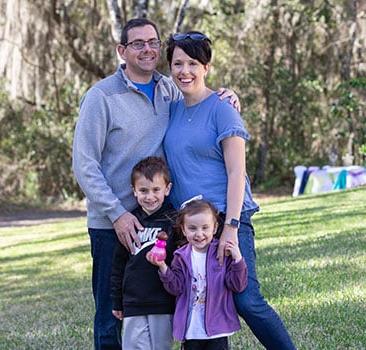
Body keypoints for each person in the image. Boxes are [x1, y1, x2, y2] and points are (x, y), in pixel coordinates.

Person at [72, 18, 239, 349]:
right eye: (138, 43)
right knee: (111, 313)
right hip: (112, 225)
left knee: (167, 307)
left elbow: (199, 98)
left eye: (153, 42)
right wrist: (117, 214)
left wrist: (227, 96)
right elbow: (84, 164)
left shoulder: (169, 88)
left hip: (161, 221)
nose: (147, 49)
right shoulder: (101, 97)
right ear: (122, 51)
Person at [162, 31, 297, 349]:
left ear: (206, 67)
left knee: (246, 299)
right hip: (190, 225)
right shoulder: (172, 110)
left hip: (226, 218)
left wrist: (232, 228)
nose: (185, 71)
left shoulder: (223, 108)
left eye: (193, 63)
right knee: (194, 297)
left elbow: (238, 172)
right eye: (178, 63)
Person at [146, 198, 248, 349]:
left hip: (217, 329)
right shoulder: (180, 256)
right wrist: (163, 267)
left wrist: (238, 259)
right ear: (183, 229)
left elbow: (237, 285)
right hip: (191, 329)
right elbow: (176, 288)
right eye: (192, 228)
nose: (199, 234)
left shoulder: (222, 254)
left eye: (205, 228)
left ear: (214, 228)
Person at [110, 156, 178, 350]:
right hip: (134, 302)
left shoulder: (174, 222)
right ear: (134, 191)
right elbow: (118, 265)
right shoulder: (130, 223)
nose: (150, 196)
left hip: (163, 302)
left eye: (156, 190)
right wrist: (117, 301)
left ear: (167, 189)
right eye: (143, 191)